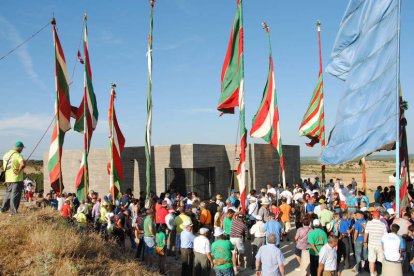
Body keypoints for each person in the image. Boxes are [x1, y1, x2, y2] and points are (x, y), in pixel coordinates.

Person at [1, 141, 26, 215]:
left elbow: (4, 166)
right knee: (15, 195)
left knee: (8, 194)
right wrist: (19, 170)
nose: (22, 150)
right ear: (20, 148)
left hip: (8, 178)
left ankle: (3, 209)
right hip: (16, 178)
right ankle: (13, 212)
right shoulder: (18, 155)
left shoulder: (6, 155)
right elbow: (23, 164)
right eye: (22, 148)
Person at [364, 210, 387, 276]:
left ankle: (372, 273)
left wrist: (365, 242)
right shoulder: (382, 224)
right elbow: (385, 235)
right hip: (380, 245)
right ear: (379, 216)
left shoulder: (369, 223)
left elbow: (366, 233)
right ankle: (380, 272)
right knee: (381, 259)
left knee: (371, 260)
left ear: (373, 216)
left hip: (371, 244)